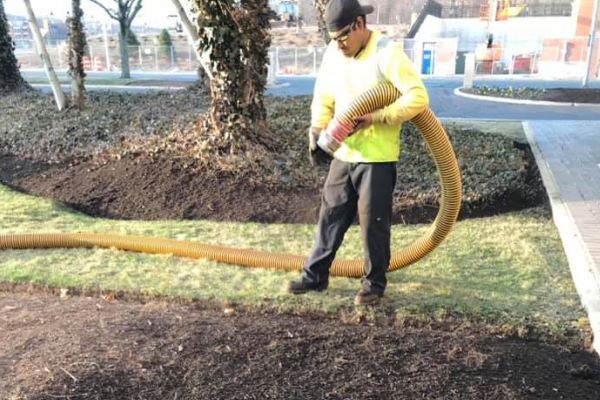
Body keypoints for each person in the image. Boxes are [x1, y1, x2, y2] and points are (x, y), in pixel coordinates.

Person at [287, 0, 429, 305]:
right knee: (330, 217)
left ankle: (373, 285)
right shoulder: (334, 54)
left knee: (373, 226)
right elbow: (323, 95)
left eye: (342, 38)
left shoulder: (387, 54)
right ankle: (315, 277)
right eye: (333, 39)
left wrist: (377, 117)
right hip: (344, 153)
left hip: (376, 157)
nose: (338, 46)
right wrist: (317, 128)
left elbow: (418, 97)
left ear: (360, 25)